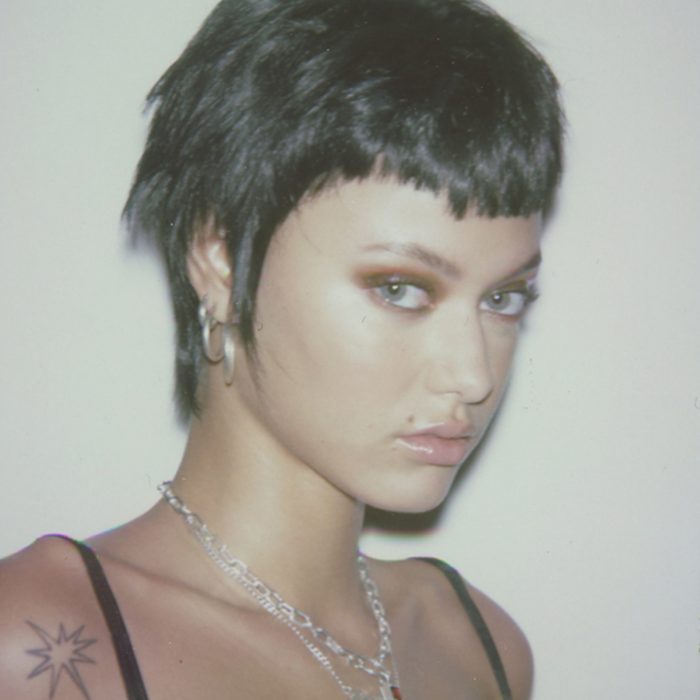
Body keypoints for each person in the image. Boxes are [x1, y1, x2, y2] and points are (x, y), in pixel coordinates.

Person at [0, 0, 563, 698]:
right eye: (399, 289)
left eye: (503, 299)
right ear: (220, 261)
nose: (473, 375)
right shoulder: (38, 645)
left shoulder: (480, 645)